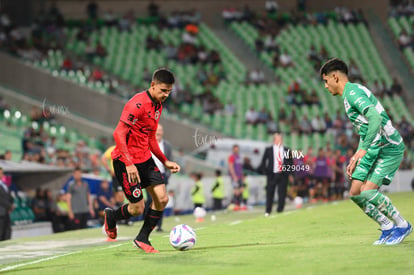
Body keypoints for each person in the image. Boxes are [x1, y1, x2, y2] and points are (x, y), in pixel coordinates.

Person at [320, 58, 412, 245]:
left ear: (335, 77)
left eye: (325, 81)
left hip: (388, 147)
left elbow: (375, 118)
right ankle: (387, 226)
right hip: (374, 147)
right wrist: (356, 155)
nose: (325, 86)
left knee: (368, 191)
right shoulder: (348, 95)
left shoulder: (352, 92)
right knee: (355, 192)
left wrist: (362, 150)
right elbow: (366, 128)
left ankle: (402, 225)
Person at [104, 68, 180, 253]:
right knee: (137, 208)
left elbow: (151, 138)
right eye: (163, 90)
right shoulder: (136, 104)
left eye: (169, 91)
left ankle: (142, 238)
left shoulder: (158, 106)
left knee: (162, 199)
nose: (166, 95)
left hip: (145, 159)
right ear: (152, 85)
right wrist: (129, 164)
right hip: (125, 161)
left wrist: (164, 160)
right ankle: (112, 216)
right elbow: (118, 133)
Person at [145, 123, 173, 232]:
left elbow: (169, 159)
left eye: (160, 130)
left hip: (162, 175)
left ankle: (158, 224)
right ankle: (148, 223)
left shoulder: (167, 145)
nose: (159, 132)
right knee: (150, 200)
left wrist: (168, 174)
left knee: (161, 200)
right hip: (149, 174)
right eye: (157, 130)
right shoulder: (147, 143)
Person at [259, 133, 294, 215]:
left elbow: (291, 163)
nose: (280, 141)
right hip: (272, 174)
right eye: (278, 139)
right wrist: (265, 171)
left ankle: (280, 209)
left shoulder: (287, 150)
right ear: (274, 140)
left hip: (283, 174)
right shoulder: (269, 150)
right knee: (270, 192)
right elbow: (263, 161)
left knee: (282, 192)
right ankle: (268, 210)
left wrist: (291, 173)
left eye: (281, 139)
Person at [228, 144, 243, 210]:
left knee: (241, 189)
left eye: (237, 149)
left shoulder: (238, 157)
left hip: (240, 176)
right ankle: (233, 204)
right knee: (236, 191)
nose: (237, 150)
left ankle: (238, 204)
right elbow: (231, 167)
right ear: (233, 149)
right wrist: (234, 176)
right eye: (235, 149)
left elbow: (239, 167)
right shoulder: (232, 157)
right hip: (235, 177)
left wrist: (241, 175)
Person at [0, 167, 13, 241]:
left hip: (5, 211)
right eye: (1, 173)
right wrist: (9, 206)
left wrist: (11, 203)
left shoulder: (4, 184)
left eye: (2, 173)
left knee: (7, 230)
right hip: (1, 211)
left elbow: (8, 196)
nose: (2, 175)